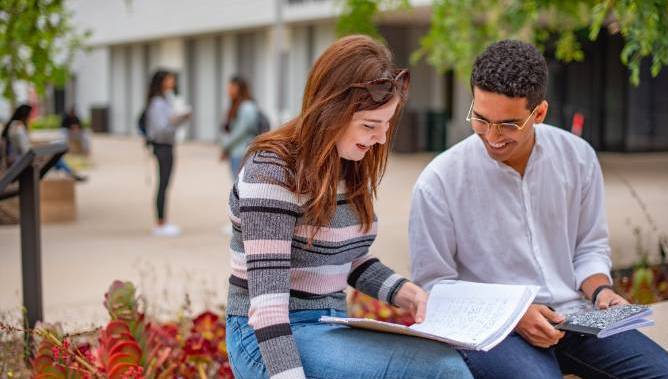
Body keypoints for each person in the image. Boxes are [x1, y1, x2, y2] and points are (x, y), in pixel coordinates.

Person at [408, 40, 668, 379]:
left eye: (507, 124)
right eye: (480, 118)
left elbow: (589, 247)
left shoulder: (578, 157)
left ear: (540, 113)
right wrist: (514, 314)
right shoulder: (439, 182)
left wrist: (602, 291)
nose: (491, 135)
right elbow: (434, 285)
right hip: (494, 329)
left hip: (576, 316)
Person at [225, 35, 472, 379]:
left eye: (387, 124)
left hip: (328, 324)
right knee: (439, 370)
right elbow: (267, 309)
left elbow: (350, 258)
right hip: (266, 337)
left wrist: (406, 294)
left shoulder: (348, 162)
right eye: (370, 125)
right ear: (330, 111)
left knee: (445, 361)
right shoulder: (272, 173)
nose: (381, 138)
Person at [145, 69, 191, 237]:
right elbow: (161, 128)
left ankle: (162, 221)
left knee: (165, 184)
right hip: (162, 145)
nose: (173, 82)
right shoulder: (158, 102)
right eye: (169, 79)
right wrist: (176, 120)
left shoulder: (166, 99)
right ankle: (160, 222)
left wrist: (178, 120)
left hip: (166, 144)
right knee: (163, 184)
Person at [1, 104, 87, 182]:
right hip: (20, 162)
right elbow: (24, 149)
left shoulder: (14, 126)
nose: (30, 117)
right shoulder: (18, 128)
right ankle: (72, 174)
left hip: (20, 159)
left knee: (55, 159)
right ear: (24, 115)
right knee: (54, 159)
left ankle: (71, 174)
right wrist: (40, 156)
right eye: (30, 114)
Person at [220, 76, 259, 178]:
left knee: (240, 188)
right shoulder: (235, 105)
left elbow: (240, 131)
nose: (228, 90)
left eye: (232, 87)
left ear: (240, 89)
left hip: (243, 152)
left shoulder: (247, 107)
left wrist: (226, 145)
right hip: (235, 152)